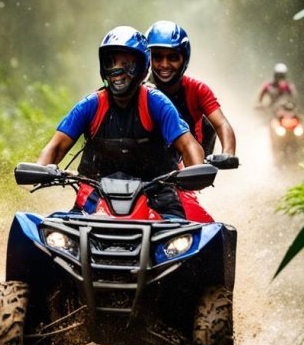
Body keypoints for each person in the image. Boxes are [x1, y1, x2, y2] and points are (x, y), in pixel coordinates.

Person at [36, 26, 204, 219]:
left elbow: (188, 145)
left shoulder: (156, 103)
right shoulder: (90, 105)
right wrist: (40, 170)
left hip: (158, 198)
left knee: (196, 239)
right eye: (111, 62)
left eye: (127, 64)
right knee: (43, 232)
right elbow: (56, 147)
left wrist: (196, 173)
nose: (117, 70)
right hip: (93, 199)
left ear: (142, 68)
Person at [145, 21, 236, 158]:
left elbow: (221, 123)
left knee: (207, 125)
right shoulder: (140, 92)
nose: (164, 64)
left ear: (184, 58)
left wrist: (228, 154)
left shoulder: (198, 90)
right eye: (157, 57)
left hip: (190, 162)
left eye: (172, 57)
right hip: (150, 162)